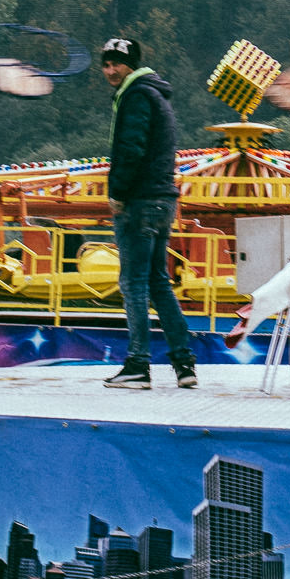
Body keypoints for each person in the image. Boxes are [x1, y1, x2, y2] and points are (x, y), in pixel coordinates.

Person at [99, 36, 197, 390]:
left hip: (139, 201)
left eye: (117, 64)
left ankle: (138, 364)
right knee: (159, 281)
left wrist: (118, 194)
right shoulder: (156, 94)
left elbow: (131, 148)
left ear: (132, 65)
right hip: (163, 200)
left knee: (134, 282)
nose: (111, 71)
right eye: (106, 65)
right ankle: (184, 364)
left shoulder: (136, 96)